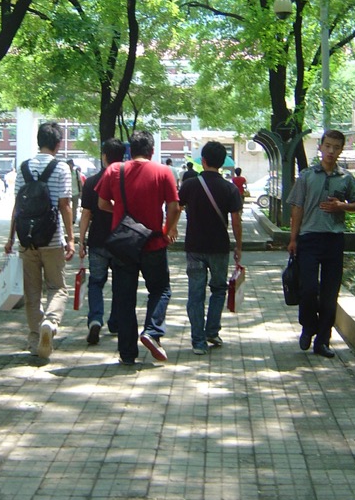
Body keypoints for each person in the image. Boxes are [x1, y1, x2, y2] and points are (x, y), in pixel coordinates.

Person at [96, 131, 181, 365]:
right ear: (152, 151)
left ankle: (127, 353)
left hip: (123, 245)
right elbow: (174, 207)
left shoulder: (115, 170)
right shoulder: (163, 172)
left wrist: (121, 215)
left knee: (124, 298)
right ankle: (152, 331)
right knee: (161, 290)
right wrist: (168, 230)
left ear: (129, 151)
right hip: (154, 243)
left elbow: (102, 203)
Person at [287, 130, 355, 358]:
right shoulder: (306, 176)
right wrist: (293, 239)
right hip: (309, 239)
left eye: (336, 147)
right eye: (328, 146)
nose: (331, 151)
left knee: (330, 295)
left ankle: (322, 341)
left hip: (334, 240)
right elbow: (297, 207)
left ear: (341, 150)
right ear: (320, 147)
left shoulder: (346, 178)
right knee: (308, 289)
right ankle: (308, 326)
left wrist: (342, 206)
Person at [4, 122, 75, 360]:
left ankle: (35, 339)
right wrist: (71, 239)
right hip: (52, 239)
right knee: (58, 288)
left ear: (38, 141)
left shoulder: (23, 167)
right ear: (58, 143)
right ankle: (51, 323)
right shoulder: (61, 168)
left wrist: (10, 238)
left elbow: (17, 207)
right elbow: (65, 205)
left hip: (27, 239)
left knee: (32, 291)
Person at [178, 141, 244, 355]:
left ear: (203, 161)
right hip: (219, 247)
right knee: (218, 289)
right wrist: (238, 246)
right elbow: (236, 221)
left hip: (194, 246)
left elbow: (176, 208)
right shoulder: (230, 188)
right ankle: (212, 331)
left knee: (195, 294)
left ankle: (198, 341)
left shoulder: (189, 185)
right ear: (222, 162)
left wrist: (170, 229)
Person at [78, 138, 126, 344]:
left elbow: (86, 214)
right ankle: (115, 322)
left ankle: (95, 319)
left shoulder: (91, 182)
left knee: (96, 282)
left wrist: (81, 240)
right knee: (119, 283)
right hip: (121, 240)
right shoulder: (126, 180)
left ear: (104, 156)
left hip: (97, 240)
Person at [67, 158, 83, 224]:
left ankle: (73, 220)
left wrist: (81, 191)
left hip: (76, 192)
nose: (70, 166)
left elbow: (80, 182)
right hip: (67, 193)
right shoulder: (66, 172)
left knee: (75, 207)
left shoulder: (76, 172)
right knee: (68, 207)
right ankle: (68, 219)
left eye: (71, 165)